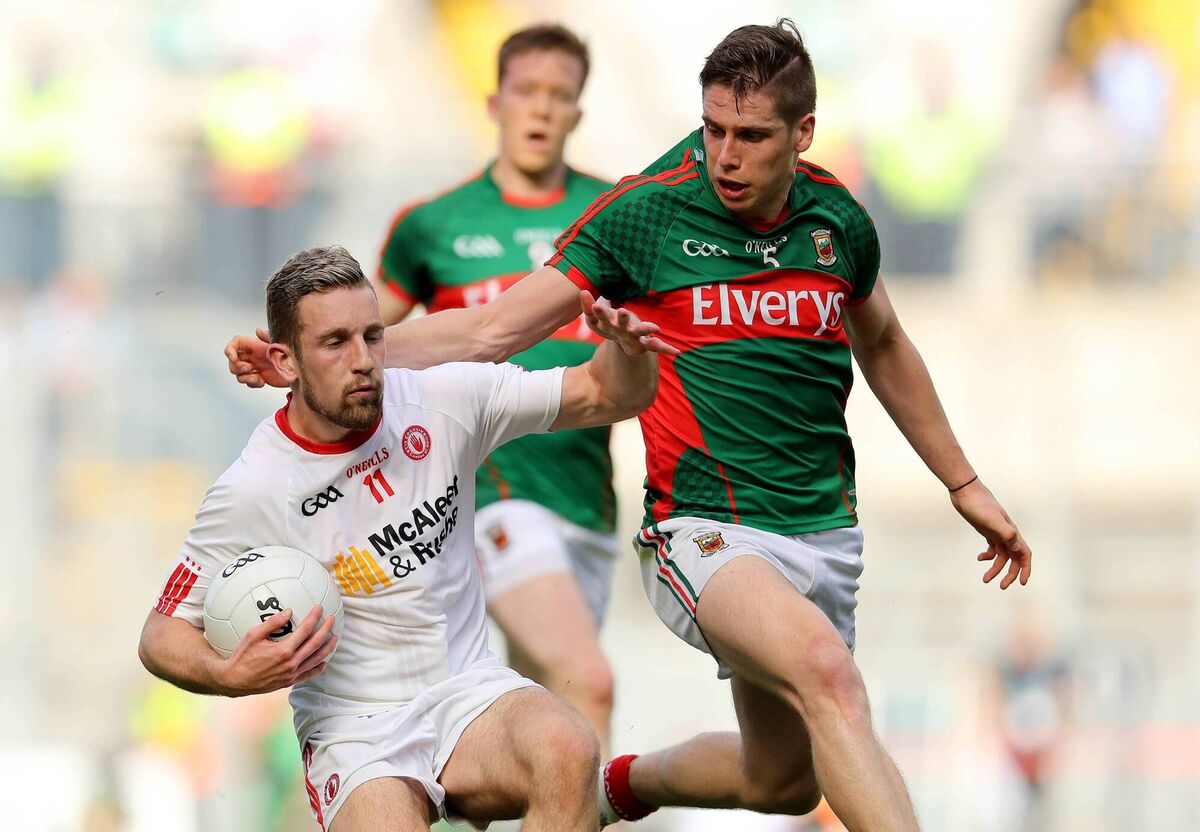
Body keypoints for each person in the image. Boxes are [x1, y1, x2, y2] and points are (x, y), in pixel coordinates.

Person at [227, 20, 1033, 832]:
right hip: (706, 531)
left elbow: (884, 342)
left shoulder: (837, 219)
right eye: (714, 129)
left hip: (819, 529)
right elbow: (491, 329)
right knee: (824, 676)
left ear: (804, 133)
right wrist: (329, 359)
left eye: (752, 137)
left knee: (784, 780)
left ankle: (616, 786)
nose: (726, 155)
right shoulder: (645, 212)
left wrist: (962, 482)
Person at [142, 245, 657, 831]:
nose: (363, 361)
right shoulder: (253, 487)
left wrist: (628, 349)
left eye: (373, 336)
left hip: (469, 693)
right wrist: (226, 675)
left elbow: (608, 393)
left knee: (569, 747)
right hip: (356, 734)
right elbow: (160, 635)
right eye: (335, 343)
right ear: (285, 361)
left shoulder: (441, 401)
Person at [375, 24, 619, 748]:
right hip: (485, 493)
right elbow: (362, 340)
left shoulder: (616, 215)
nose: (541, 108)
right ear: (494, 102)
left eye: (559, 95)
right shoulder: (432, 225)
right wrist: (290, 352)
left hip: (587, 498)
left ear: (578, 111)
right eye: (527, 91)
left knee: (539, 724)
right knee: (589, 683)